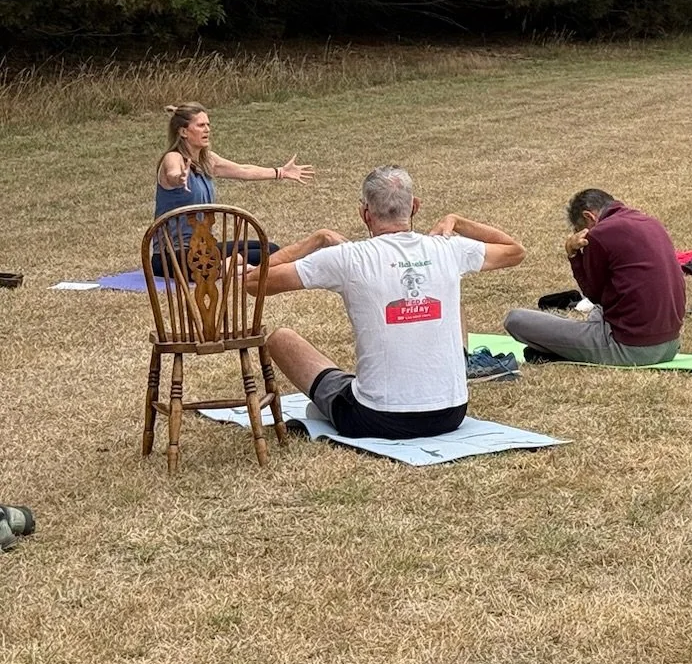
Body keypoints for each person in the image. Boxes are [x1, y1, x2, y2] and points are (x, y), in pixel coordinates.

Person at [259, 167, 524, 440]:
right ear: (414, 207)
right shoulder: (449, 249)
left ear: (365, 214)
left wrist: (315, 240)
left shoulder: (348, 257)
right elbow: (515, 250)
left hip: (374, 417)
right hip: (450, 413)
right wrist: (457, 221)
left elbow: (254, 283)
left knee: (281, 339)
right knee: (448, 297)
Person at [503, 189, 685, 365]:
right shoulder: (650, 222)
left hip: (631, 349)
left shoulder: (599, 234)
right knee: (598, 310)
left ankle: (563, 350)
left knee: (515, 319)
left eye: (579, 229)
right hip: (670, 345)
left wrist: (573, 254)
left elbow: (593, 294)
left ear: (589, 217)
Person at [152, 102, 314, 263]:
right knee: (249, 258)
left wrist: (280, 172)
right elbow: (172, 172)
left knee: (268, 249)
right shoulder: (173, 157)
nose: (207, 129)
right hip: (171, 257)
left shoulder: (207, 160)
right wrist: (179, 177)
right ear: (183, 131)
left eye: (208, 124)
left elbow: (243, 170)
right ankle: (228, 266)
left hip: (203, 249)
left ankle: (228, 264)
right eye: (201, 125)